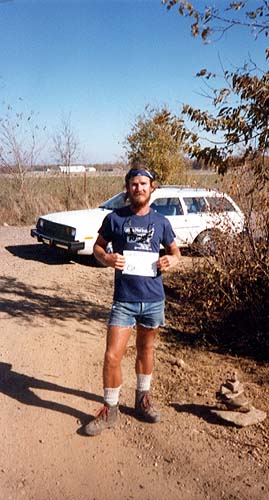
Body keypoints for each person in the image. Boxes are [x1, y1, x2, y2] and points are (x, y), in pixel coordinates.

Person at [84, 165, 181, 436]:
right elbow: (97, 248)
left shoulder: (162, 222)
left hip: (152, 299)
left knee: (145, 351)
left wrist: (170, 260)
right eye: (133, 184)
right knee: (112, 355)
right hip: (124, 300)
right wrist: (107, 259)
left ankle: (142, 400)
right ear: (127, 189)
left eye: (143, 183)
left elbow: (176, 253)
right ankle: (110, 410)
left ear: (152, 188)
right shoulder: (115, 219)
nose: (138, 188)